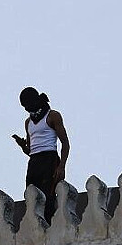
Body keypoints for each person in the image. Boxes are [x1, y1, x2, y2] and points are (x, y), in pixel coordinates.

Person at [12, 87, 70, 222]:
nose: (26, 109)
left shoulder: (53, 116)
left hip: (49, 159)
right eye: (24, 106)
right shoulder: (28, 122)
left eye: (27, 105)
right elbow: (30, 150)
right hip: (34, 162)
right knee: (32, 199)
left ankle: (50, 228)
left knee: (47, 198)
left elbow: (65, 144)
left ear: (35, 100)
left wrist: (61, 166)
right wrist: (22, 146)